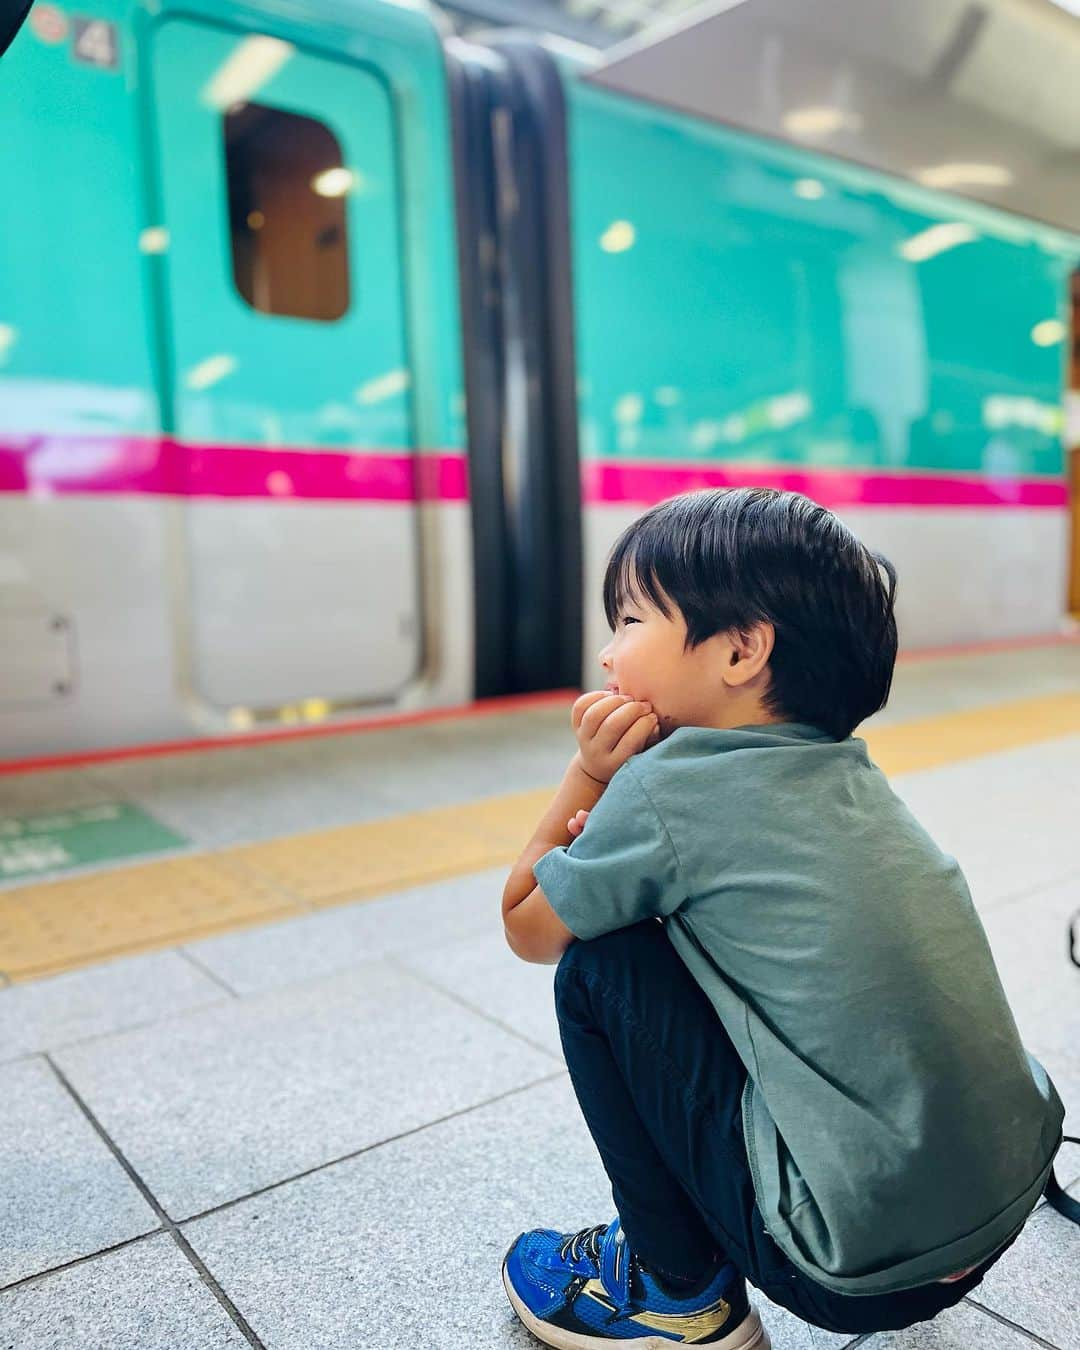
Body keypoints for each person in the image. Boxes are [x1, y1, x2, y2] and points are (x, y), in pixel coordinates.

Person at [499, 487, 1065, 1348]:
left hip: (854, 1267)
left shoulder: (665, 785)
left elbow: (527, 927)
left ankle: (673, 1292)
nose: (610, 655)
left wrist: (589, 775)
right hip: (997, 1209)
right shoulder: (848, 771)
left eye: (629, 620)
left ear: (740, 650)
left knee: (601, 967)